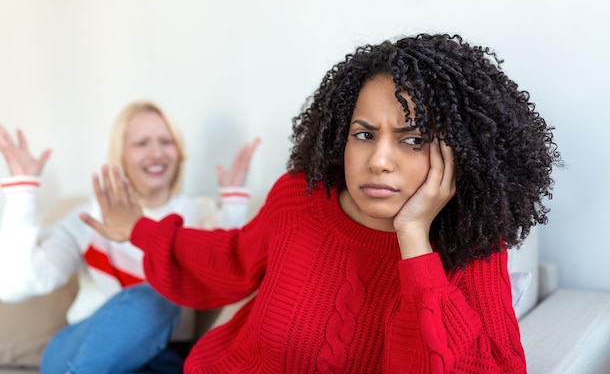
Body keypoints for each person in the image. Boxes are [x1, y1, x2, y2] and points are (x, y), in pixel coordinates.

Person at [83, 34, 561, 374]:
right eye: (364, 134)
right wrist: (139, 229)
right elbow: (232, 257)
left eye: (413, 140)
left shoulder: (473, 244)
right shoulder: (299, 195)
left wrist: (414, 240)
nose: (379, 160)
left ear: (455, 155)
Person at [0, 101, 260, 374]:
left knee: (162, 299)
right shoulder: (90, 216)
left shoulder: (200, 213)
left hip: (162, 357)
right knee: (155, 296)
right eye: (141, 143)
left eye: (166, 141)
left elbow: (233, 269)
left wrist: (234, 202)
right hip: (77, 347)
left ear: (179, 150)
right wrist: (22, 193)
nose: (156, 153)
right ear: (121, 154)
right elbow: (13, 286)